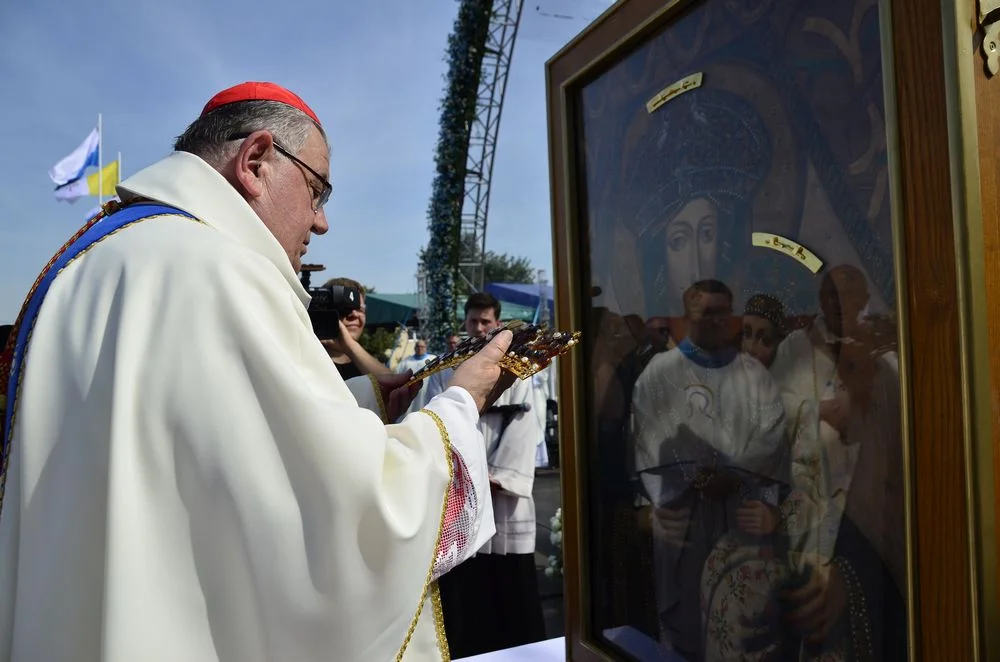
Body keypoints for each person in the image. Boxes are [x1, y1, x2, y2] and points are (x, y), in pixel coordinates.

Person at [0, 82, 518, 662]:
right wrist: (460, 405)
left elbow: (204, 445)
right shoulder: (218, 269)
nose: (320, 223)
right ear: (256, 162)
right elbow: (353, 507)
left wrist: (372, 404)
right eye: (317, 191)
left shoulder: (98, 257)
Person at [427, 293, 547, 658]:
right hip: (461, 506)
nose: (479, 328)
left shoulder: (519, 372)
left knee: (513, 605)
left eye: (486, 322)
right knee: (464, 606)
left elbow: (528, 428)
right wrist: (467, 483)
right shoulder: (444, 371)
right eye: (473, 321)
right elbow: (432, 427)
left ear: (496, 324)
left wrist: (490, 480)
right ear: (465, 323)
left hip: (504, 504)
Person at [317, 276, 391, 379]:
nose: (354, 314)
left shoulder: (370, 364)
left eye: (360, 309)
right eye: (345, 308)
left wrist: (351, 347)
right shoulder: (306, 360)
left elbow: (394, 386)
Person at [396, 339, 437, 416]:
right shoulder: (406, 362)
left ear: (426, 347)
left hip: (427, 395)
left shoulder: (433, 359)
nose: (420, 348)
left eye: (422, 346)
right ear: (415, 348)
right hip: (410, 396)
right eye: (418, 346)